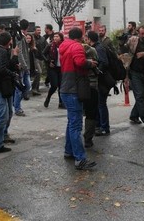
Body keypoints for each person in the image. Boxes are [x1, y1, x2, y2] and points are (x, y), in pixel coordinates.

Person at [58, 27, 97, 170]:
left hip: (65, 88)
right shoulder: (76, 46)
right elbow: (80, 62)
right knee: (76, 125)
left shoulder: (64, 46)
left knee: (71, 122)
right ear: (80, 37)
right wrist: (90, 63)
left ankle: (69, 151)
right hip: (74, 88)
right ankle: (80, 159)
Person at [82, 32, 103, 148]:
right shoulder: (92, 50)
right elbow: (98, 63)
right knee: (91, 113)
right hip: (92, 84)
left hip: (78, 84)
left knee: (78, 113)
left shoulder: (76, 50)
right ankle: (88, 138)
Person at [43, 32, 64, 109]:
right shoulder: (50, 45)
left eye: (57, 36)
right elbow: (43, 54)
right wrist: (48, 61)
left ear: (61, 37)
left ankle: (61, 103)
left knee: (61, 86)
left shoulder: (64, 45)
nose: (55, 38)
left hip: (61, 68)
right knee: (54, 85)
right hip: (52, 68)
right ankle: (48, 98)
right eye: (54, 36)